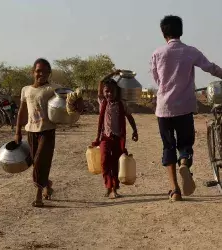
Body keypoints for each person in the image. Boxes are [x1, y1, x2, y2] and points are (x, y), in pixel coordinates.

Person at [151, 15, 222, 201]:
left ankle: (175, 190)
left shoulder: (158, 53)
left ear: (163, 33)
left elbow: (157, 79)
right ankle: (184, 161)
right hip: (184, 107)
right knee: (185, 144)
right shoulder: (190, 51)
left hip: (163, 108)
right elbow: (210, 68)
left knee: (168, 147)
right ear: (181, 32)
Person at [15, 58, 82, 207]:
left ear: (49, 73)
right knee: (36, 162)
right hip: (31, 130)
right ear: (33, 72)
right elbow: (22, 111)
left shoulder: (53, 88)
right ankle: (47, 183)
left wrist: (77, 102)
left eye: (45, 71)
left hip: (47, 130)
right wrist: (17, 131)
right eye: (38, 71)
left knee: (40, 161)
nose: (41, 74)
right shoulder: (26, 90)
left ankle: (38, 195)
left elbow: (71, 97)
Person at [92, 70, 138, 198]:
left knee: (116, 163)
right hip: (105, 138)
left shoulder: (122, 104)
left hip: (118, 139)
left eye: (112, 91)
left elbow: (129, 117)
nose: (109, 93)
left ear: (117, 92)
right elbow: (101, 82)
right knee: (104, 161)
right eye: (107, 91)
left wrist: (135, 130)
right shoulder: (102, 102)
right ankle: (108, 185)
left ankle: (114, 189)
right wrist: (114, 73)